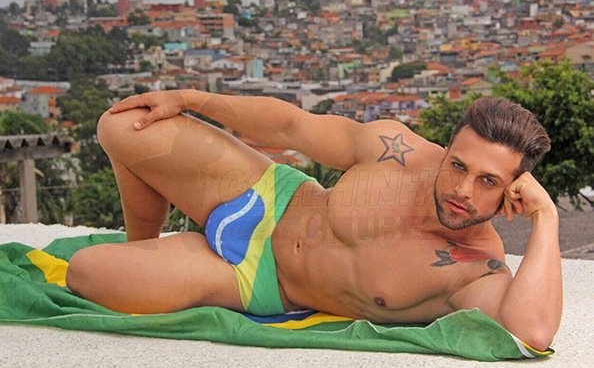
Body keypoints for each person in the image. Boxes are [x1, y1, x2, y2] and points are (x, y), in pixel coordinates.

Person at [66, 91, 562, 352]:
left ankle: (155, 258)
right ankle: (142, 242)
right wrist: (189, 99)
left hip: (254, 281)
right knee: (123, 123)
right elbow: (291, 127)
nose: (462, 190)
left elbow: (533, 332)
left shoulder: (476, 268)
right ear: (447, 148)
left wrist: (547, 218)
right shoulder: (399, 149)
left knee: (86, 272)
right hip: (266, 193)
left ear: (514, 190)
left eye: (488, 181)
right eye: (457, 165)